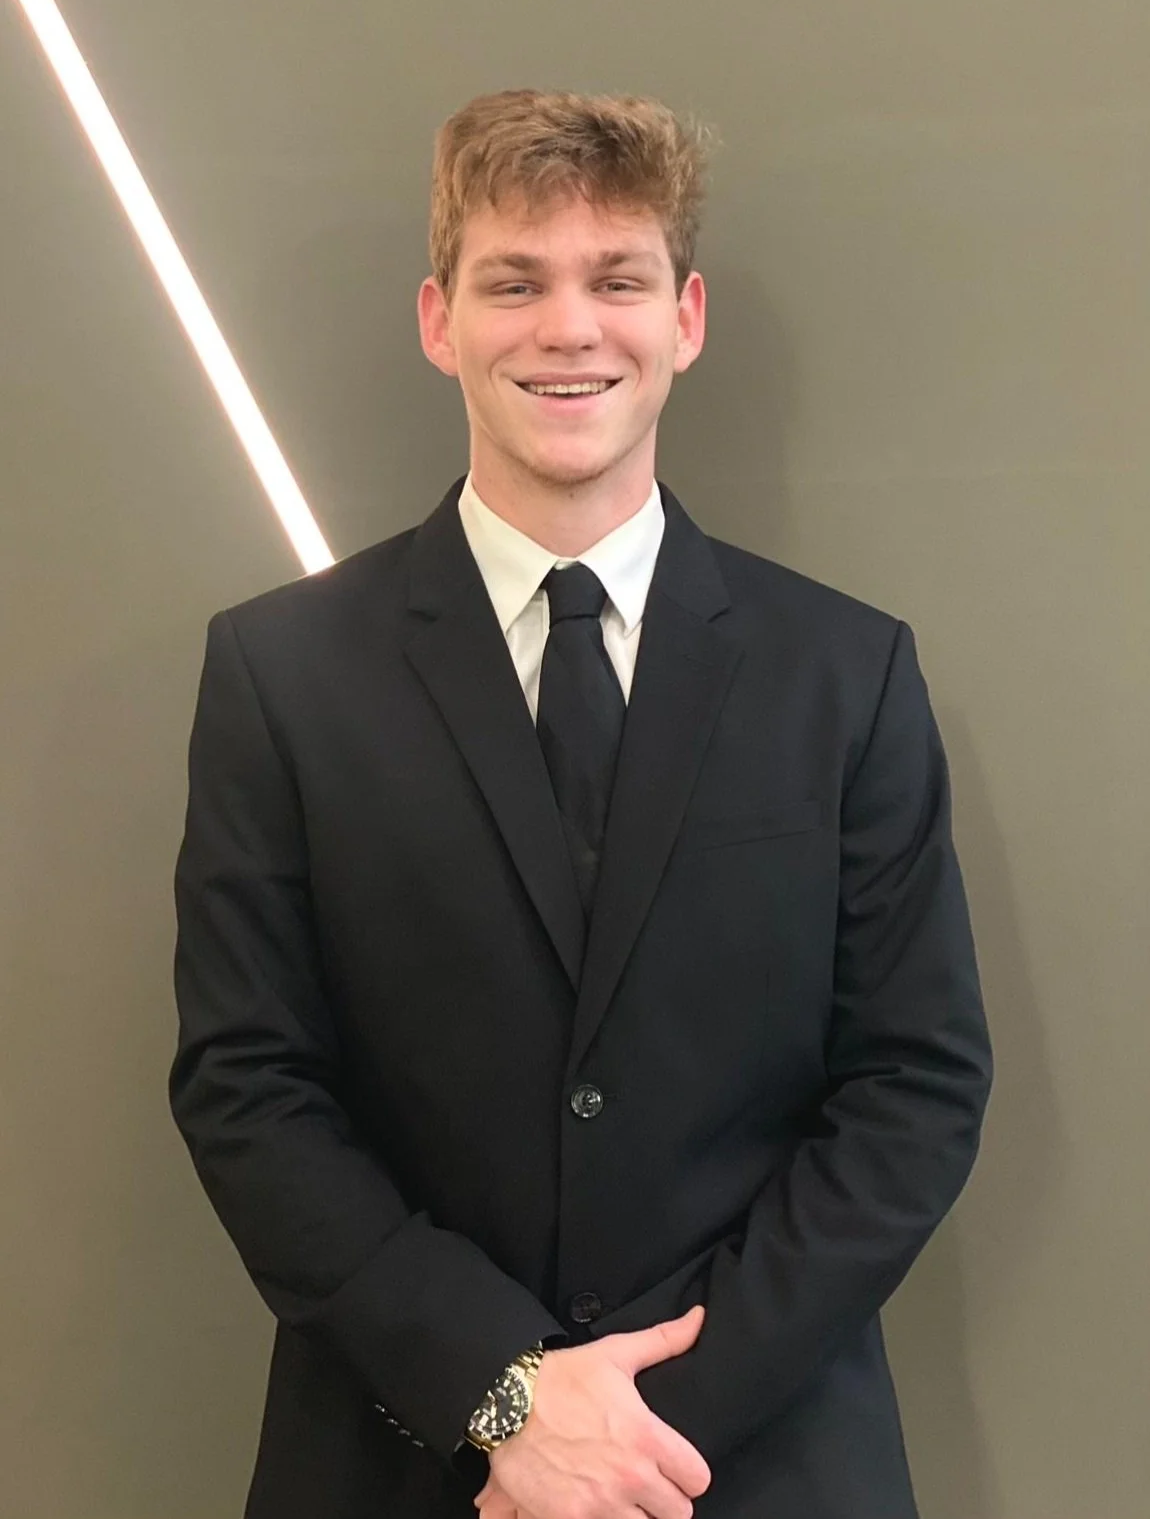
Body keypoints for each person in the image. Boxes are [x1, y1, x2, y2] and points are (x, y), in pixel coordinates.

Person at [169, 88, 993, 1519]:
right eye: (515, 282)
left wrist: (637, 1428)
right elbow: (248, 1086)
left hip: (754, 1458)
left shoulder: (846, 673)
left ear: (685, 318)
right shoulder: (280, 671)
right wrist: (501, 1397)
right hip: (402, 1457)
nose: (568, 328)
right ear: (440, 321)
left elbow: (913, 1088)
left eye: (616, 279)